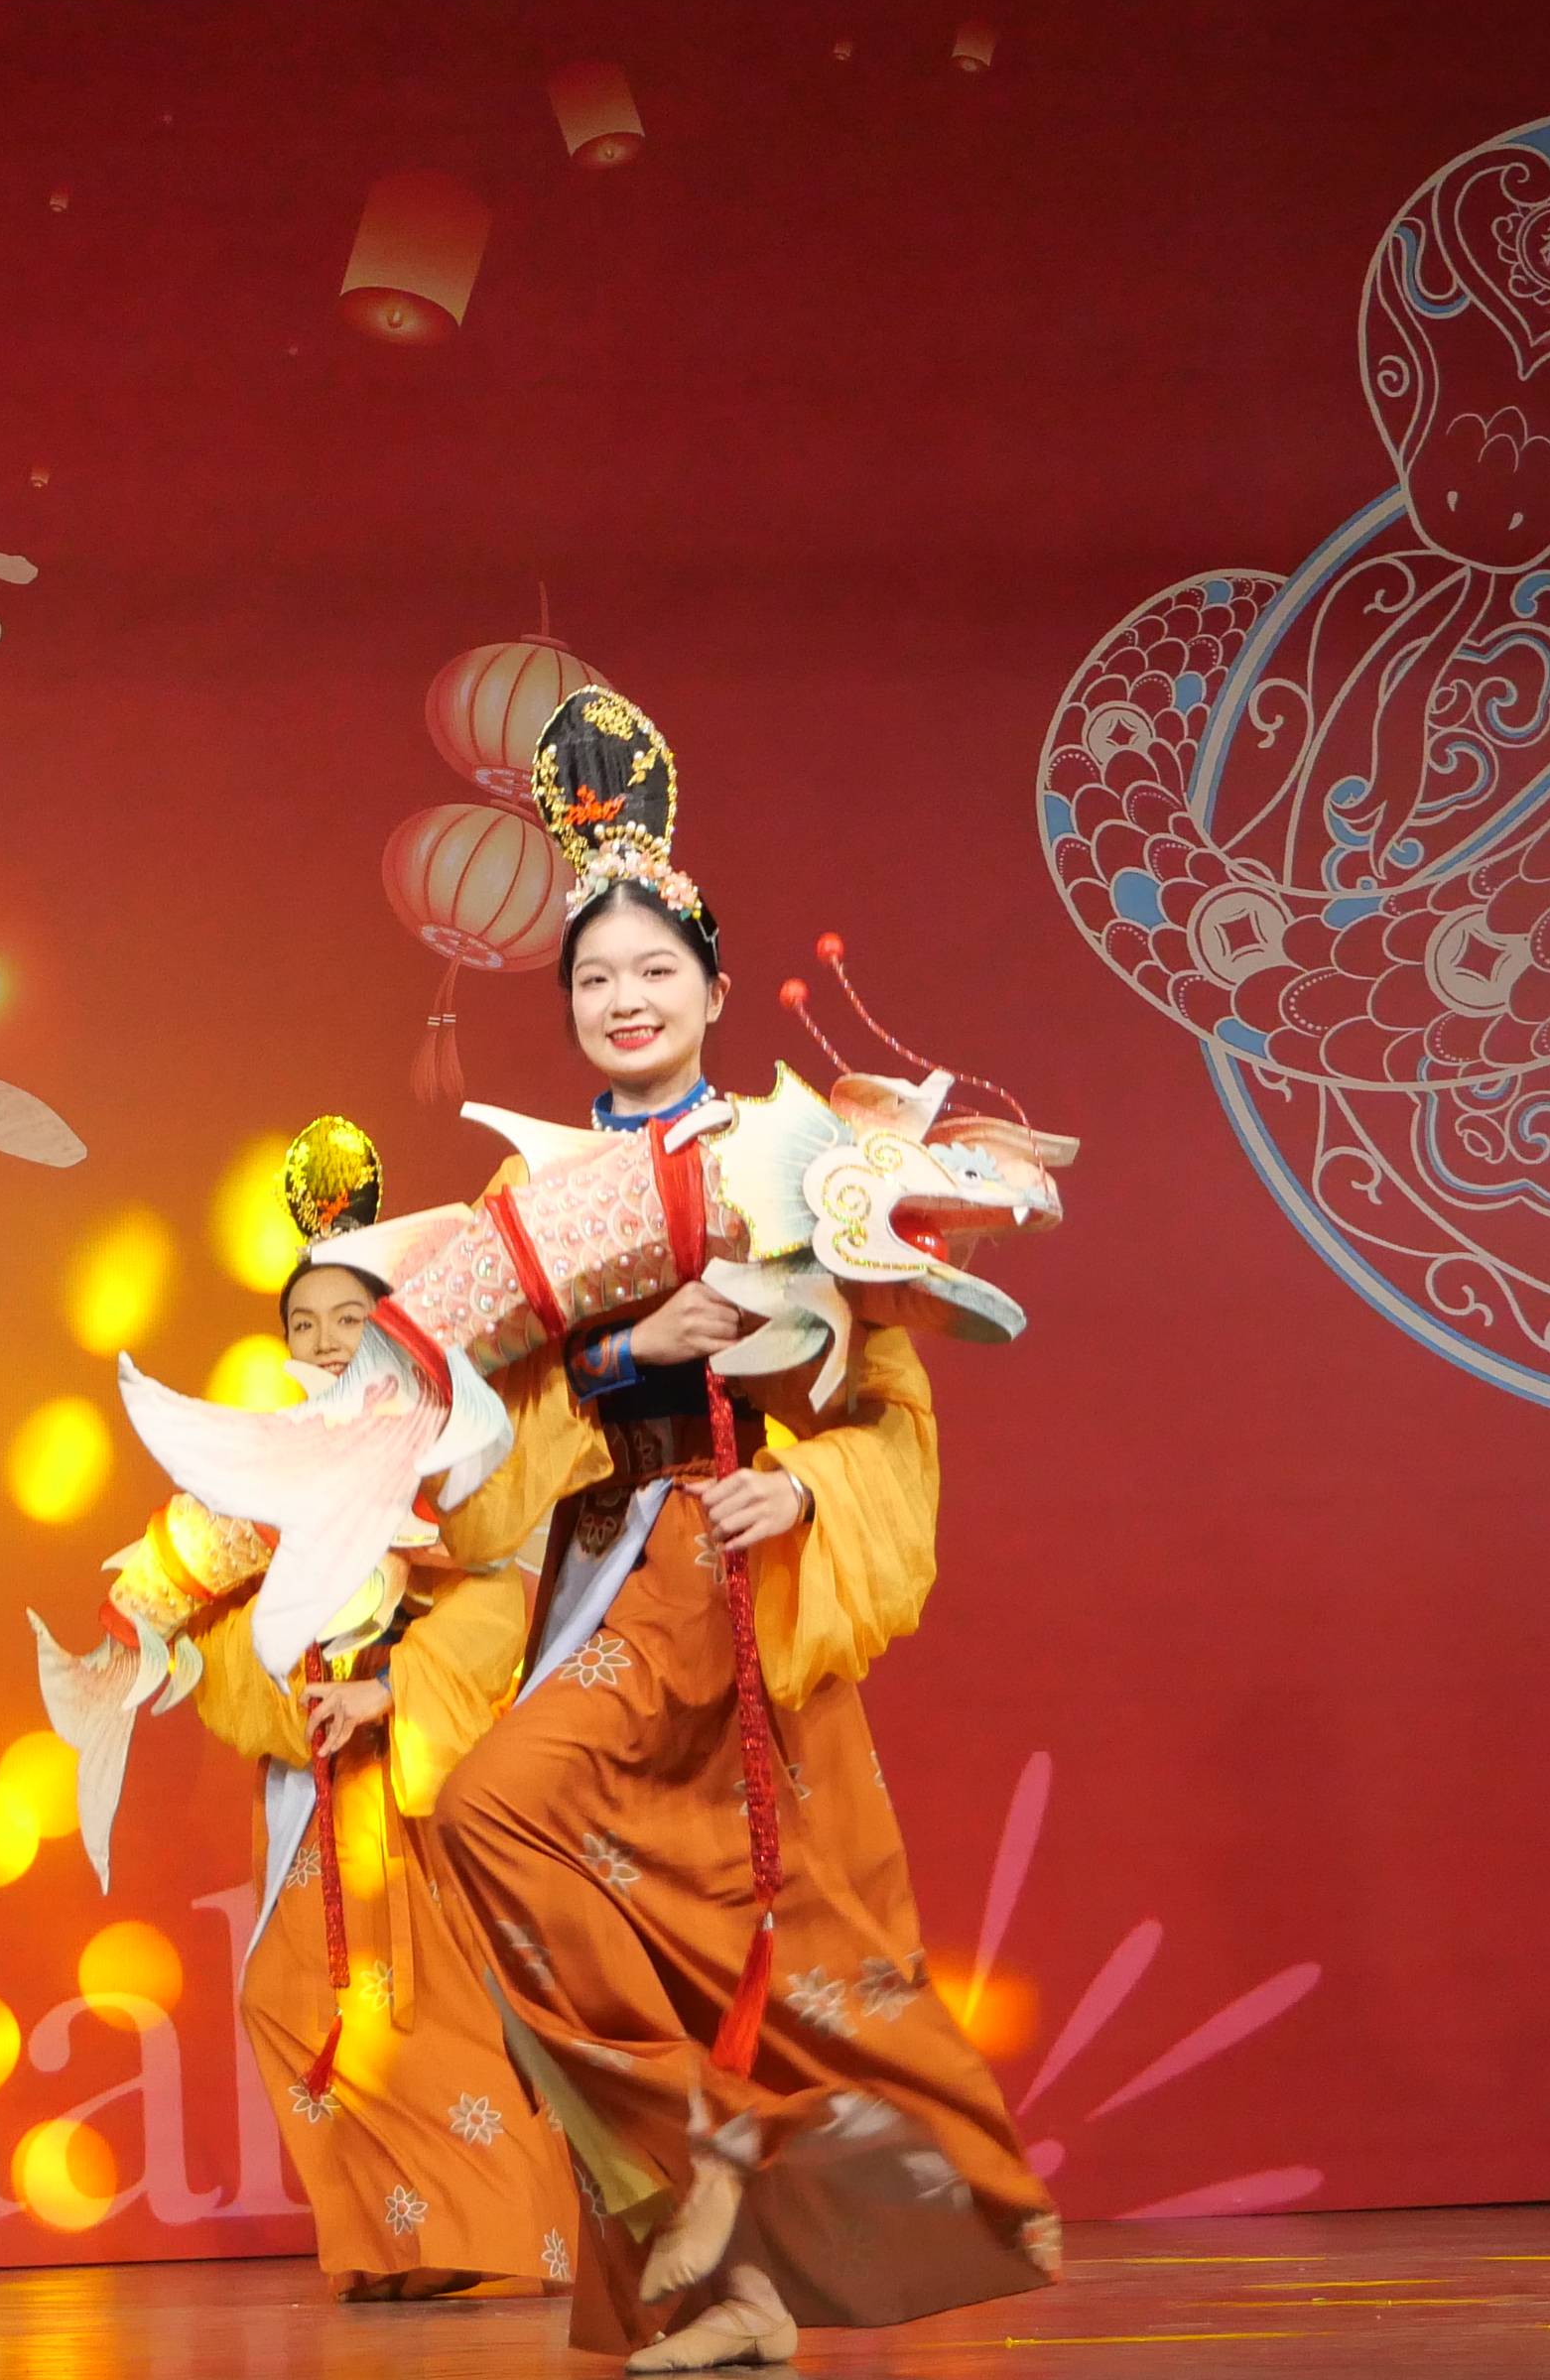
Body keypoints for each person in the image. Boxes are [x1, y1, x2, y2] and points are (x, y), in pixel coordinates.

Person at [431, 689, 1057, 2371]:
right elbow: (477, 1434)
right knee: (524, 1848)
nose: (624, 1000)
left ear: (712, 988)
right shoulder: (524, 1199)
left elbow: (886, 1398)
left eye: (654, 971)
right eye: (593, 980)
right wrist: (623, 1349)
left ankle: (722, 2220)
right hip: (603, 1569)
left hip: (729, 1558)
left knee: (740, 1926)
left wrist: (814, 1484)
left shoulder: (794, 1157)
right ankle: (706, 2248)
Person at [169, 1117, 573, 2301]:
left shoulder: (446, 1448)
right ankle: (397, 2240)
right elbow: (222, 1603)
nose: (324, 1343)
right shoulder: (270, 1462)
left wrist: (390, 1682)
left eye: (348, 1320)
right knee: (296, 1999)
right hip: (318, 1777)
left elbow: (501, 1594)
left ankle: (484, 2236)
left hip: (412, 1775)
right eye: (303, 1325)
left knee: (425, 2005)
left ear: (395, 1329)